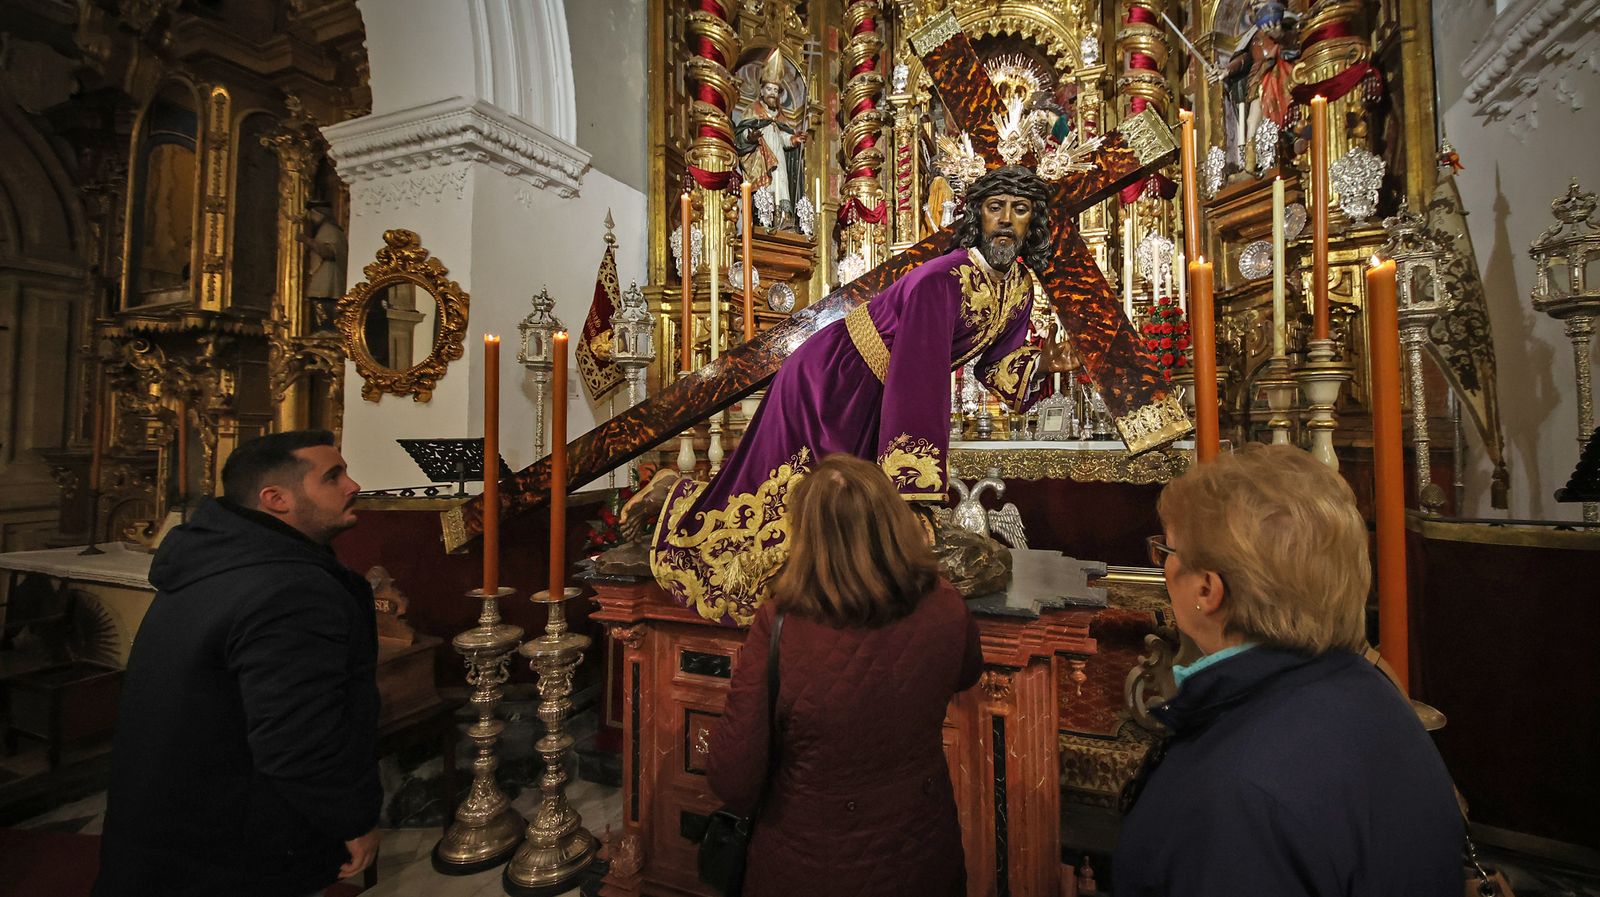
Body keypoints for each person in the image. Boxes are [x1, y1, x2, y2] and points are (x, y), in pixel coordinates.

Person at [630, 164, 1071, 625]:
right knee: (794, 503)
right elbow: (919, 382)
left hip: (875, 389)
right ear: (976, 217)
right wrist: (911, 498)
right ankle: (676, 498)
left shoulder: (1018, 289)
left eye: (1018, 210)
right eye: (993, 208)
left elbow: (996, 363)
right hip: (831, 379)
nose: (1004, 219)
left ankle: (682, 495)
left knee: (838, 513)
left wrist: (1042, 362)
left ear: (1031, 221)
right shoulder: (942, 279)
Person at [1114, 445, 1463, 897]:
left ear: (1207, 589)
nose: (1162, 566)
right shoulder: (1368, 688)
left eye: (1167, 551)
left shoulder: (1236, 792)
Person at [94, 430, 383, 897]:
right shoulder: (291, 589)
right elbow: (297, 737)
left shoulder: (221, 559)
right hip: (234, 845)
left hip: (168, 831)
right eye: (334, 476)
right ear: (276, 499)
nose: (353, 485)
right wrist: (352, 818)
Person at [706, 453, 983, 897]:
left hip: (812, 861)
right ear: (893, 518)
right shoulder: (945, 603)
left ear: (807, 534)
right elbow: (966, 673)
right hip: (924, 848)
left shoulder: (782, 623)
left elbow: (733, 778)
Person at [734, 48, 808, 230]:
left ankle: (783, 219)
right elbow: (742, 132)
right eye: (769, 89)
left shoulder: (779, 116)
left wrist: (793, 140)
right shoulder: (753, 111)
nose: (772, 93)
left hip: (779, 160)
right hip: (761, 160)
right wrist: (750, 136)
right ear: (762, 91)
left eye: (775, 90)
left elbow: (782, 137)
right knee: (766, 189)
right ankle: (763, 219)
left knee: (781, 184)